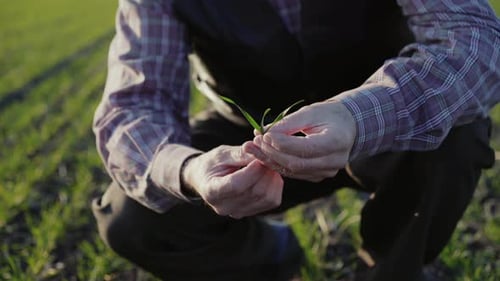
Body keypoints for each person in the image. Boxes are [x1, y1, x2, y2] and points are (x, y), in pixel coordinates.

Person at [91, 0, 500, 280]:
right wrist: (190, 170)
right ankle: (272, 258)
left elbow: (474, 41)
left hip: (383, 115)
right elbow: (135, 105)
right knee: (133, 216)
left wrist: (357, 117)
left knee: (456, 132)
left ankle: (392, 268)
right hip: (251, 135)